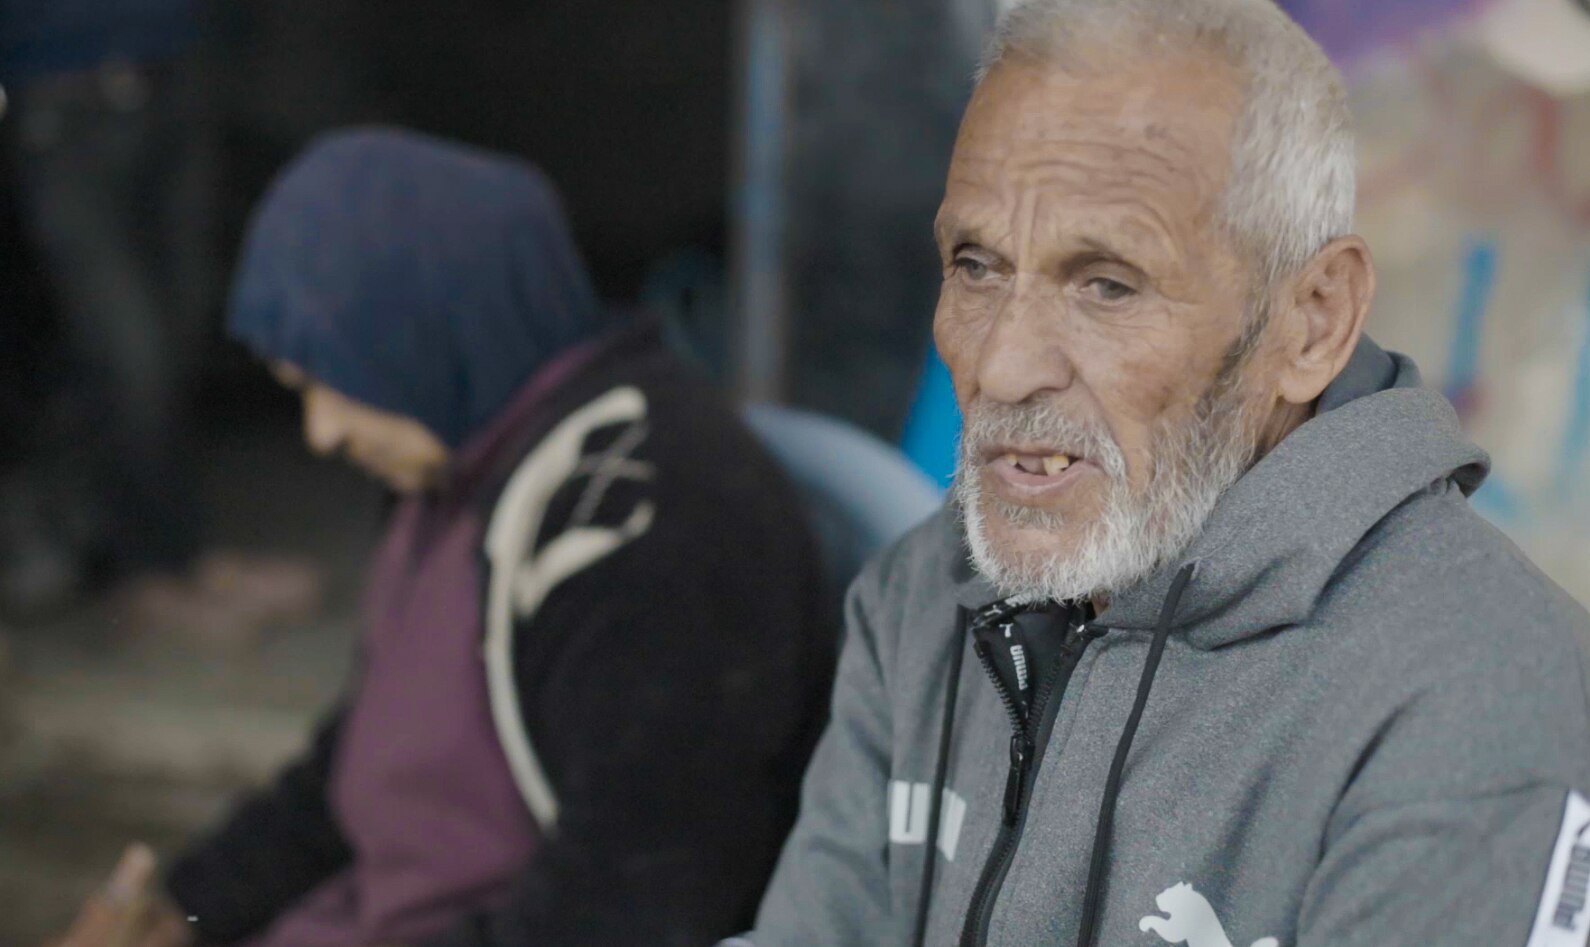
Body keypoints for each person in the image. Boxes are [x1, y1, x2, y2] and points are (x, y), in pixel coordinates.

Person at [734, 1, 1590, 945]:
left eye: (1108, 283)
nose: (1005, 364)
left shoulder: (1474, 698)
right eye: (976, 265)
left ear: (1310, 320)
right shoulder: (919, 597)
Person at [45, 128, 833, 947]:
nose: (322, 432)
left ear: (427, 330)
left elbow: (630, 908)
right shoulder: (462, 454)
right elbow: (359, 772)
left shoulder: (652, 522)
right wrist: (182, 910)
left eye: (334, 381)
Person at [0, 0, 319, 635]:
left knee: (177, 334)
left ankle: (184, 557)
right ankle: (143, 569)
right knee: (126, 346)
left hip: (173, 64)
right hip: (56, 87)